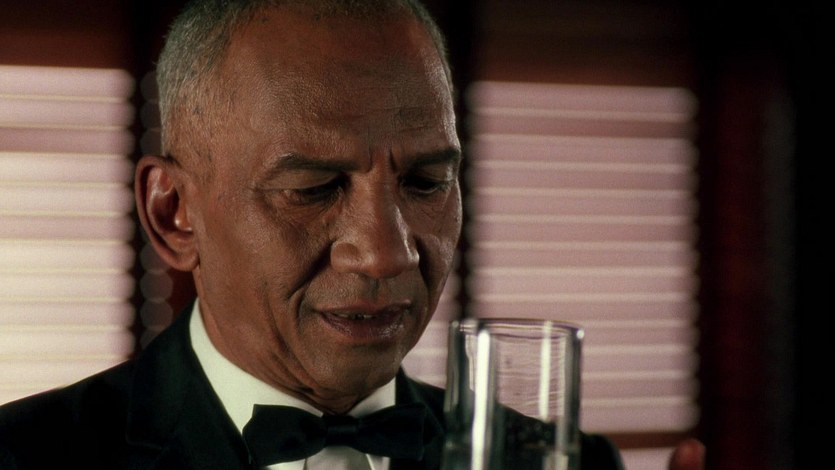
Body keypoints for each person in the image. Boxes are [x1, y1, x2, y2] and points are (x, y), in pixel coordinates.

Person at [0, 1, 705, 469]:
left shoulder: (561, 462)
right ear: (173, 214)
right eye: (314, 188)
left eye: (426, 182)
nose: (388, 253)